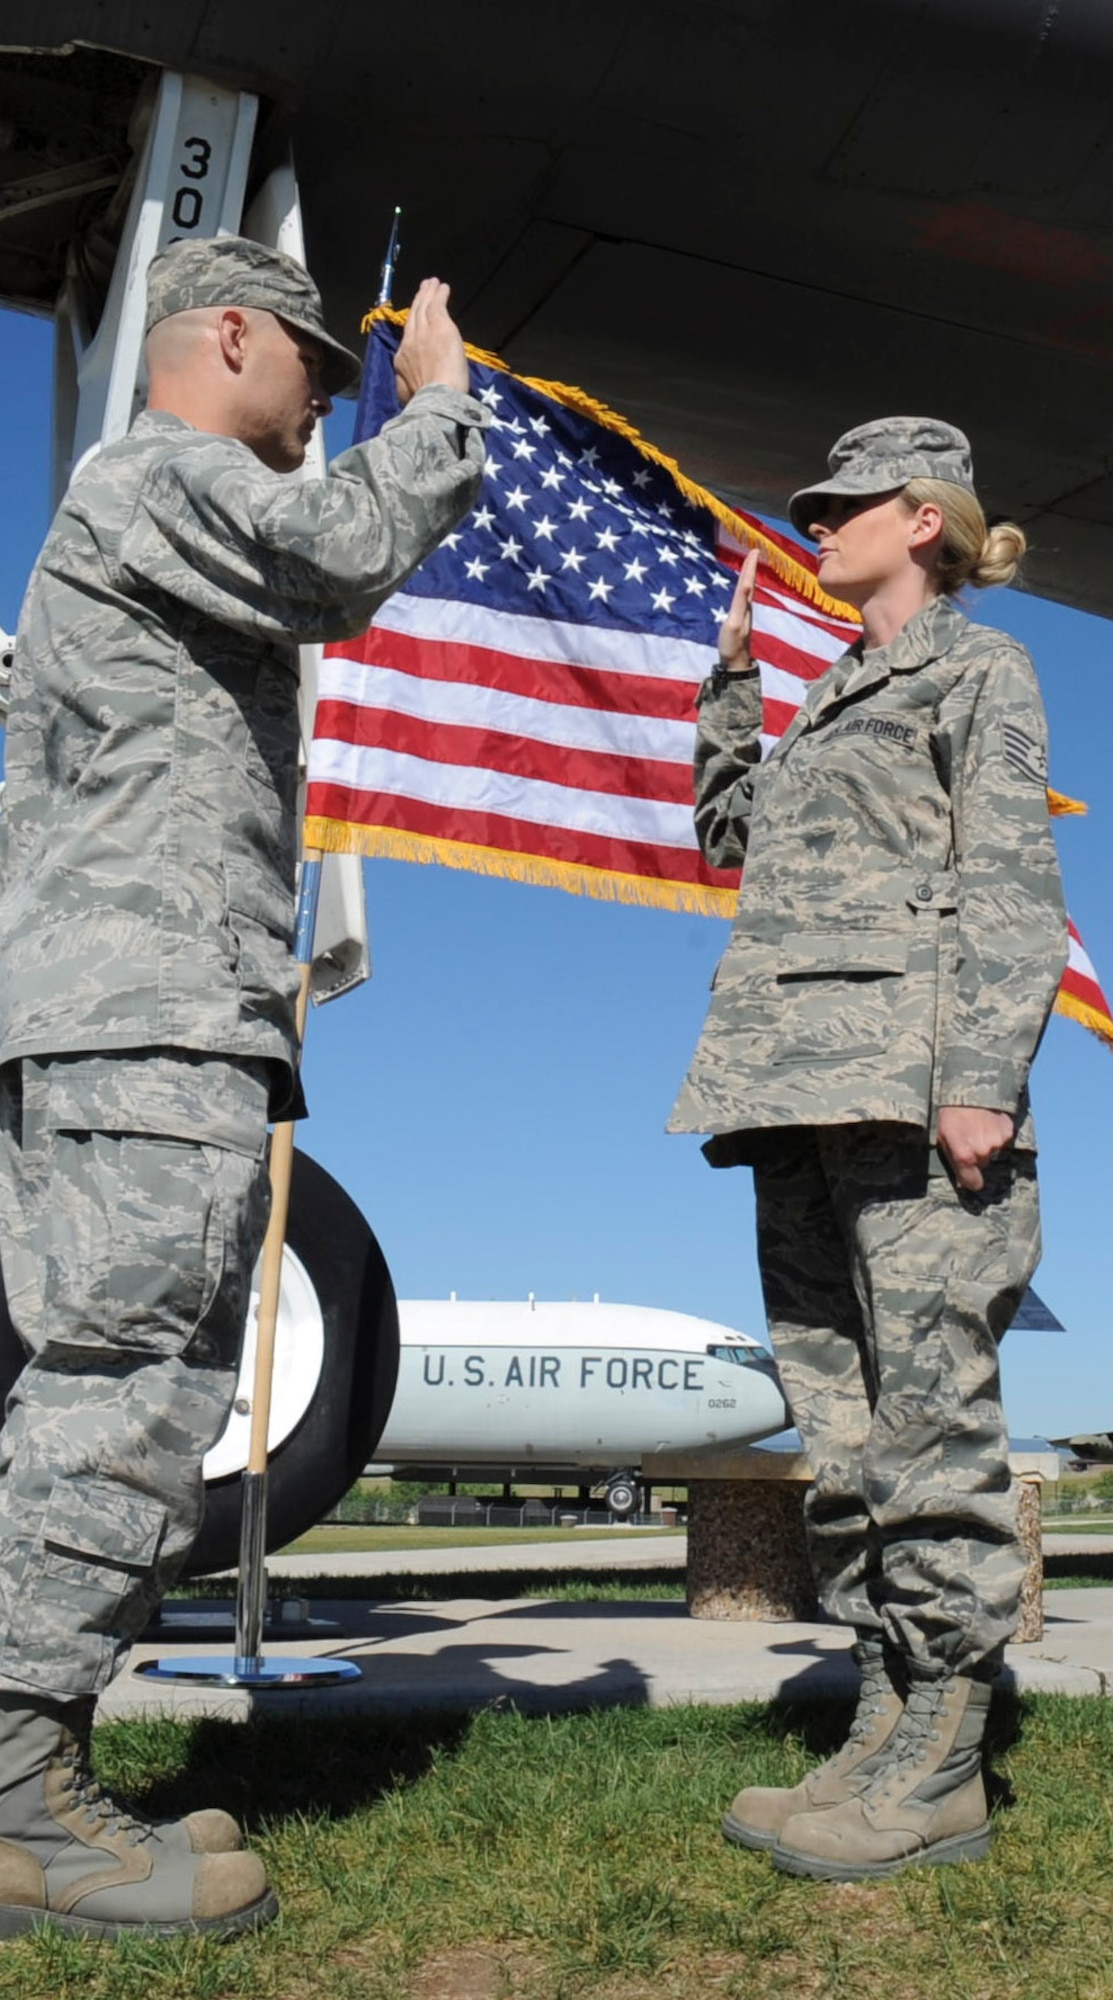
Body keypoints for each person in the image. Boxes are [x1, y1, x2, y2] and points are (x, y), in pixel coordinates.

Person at [0, 236, 488, 1940]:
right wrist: (442, 406)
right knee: (126, 1391)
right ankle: (26, 1815)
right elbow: (337, 554)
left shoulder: (141, 504)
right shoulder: (157, 473)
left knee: (135, 1378)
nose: (327, 397)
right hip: (145, 1007)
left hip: (135, 1006)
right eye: (312, 366)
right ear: (228, 332)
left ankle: (37, 1785)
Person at [668, 418, 1068, 1881]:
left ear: (918, 517)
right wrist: (727, 684)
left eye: (836, 507)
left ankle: (946, 1750)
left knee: (930, 1420)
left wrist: (981, 1083)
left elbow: (1011, 882)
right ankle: (884, 1714)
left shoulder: (977, 670)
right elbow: (728, 835)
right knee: (838, 1431)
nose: (810, 525)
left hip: (913, 1095)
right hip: (794, 1094)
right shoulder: (831, 696)